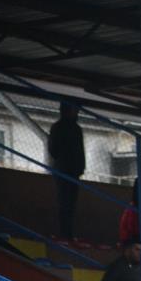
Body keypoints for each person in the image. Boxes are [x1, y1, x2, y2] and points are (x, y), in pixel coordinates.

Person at [48, 101, 86, 240]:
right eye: (75, 110)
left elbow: (53, 150)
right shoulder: (73, 129)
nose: (77, 112)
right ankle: (66, 234)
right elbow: (54, 150)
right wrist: (79, 167)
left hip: (65, 170)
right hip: (67, 170)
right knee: (67, 203)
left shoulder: (60, 127)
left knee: (66, 203)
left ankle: (66, 233)